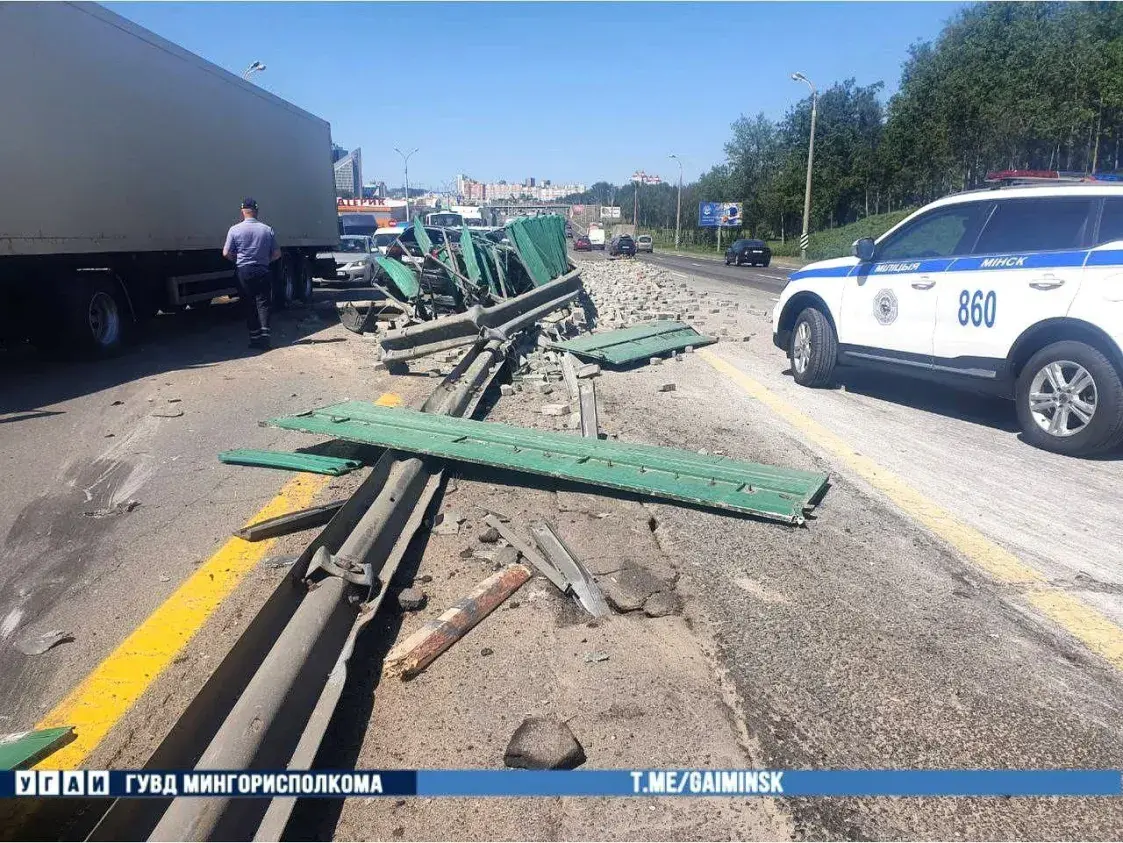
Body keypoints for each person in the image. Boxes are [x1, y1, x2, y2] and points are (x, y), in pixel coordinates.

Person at [223, 198, 281, 350]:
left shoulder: (234, 230)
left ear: (242, 211)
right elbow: (277, 253)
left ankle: (254, 339)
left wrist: (237, 259)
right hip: (262, 269)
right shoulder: (267, 229)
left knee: (249, 304)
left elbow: (226, 253)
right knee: (263, 303)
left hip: (244, 271)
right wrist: (265, 260)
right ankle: (265, 337)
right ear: (256, 211)